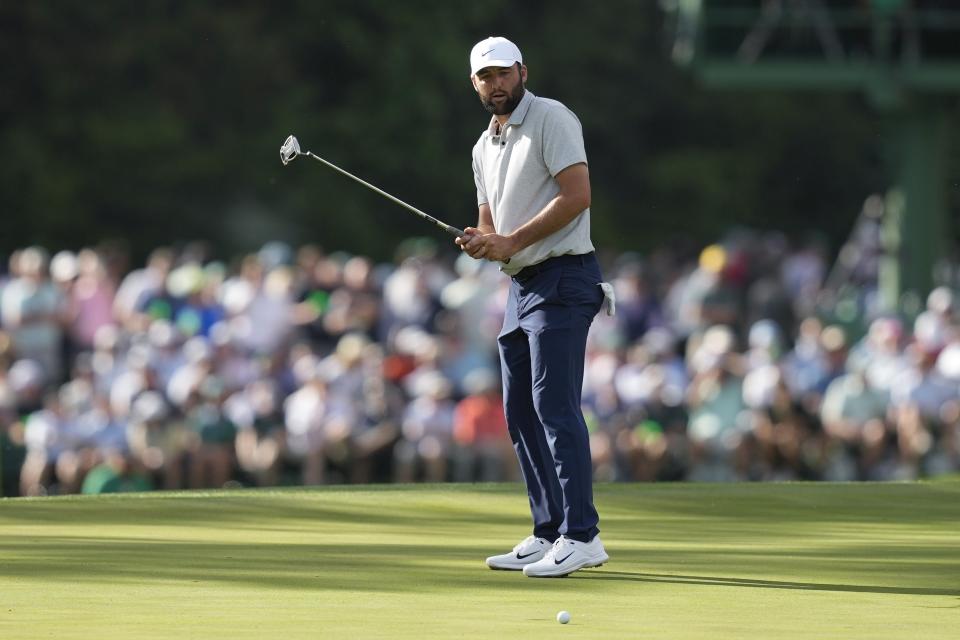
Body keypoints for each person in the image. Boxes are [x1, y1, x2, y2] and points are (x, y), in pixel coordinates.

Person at [456, 36, 611, 578]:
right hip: (523, 288)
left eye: (503, 73)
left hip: (566, 278)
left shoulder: (551, 118)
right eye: (485, 77)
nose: (496, 84)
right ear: (474, 84)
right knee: (519, 411)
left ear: (522, 71)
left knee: (553, 405)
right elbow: (491, 222)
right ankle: (549, 530)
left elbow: (577, 195)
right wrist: (483, 240)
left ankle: (582, 535)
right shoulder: (483, 146)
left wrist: (510, 242)